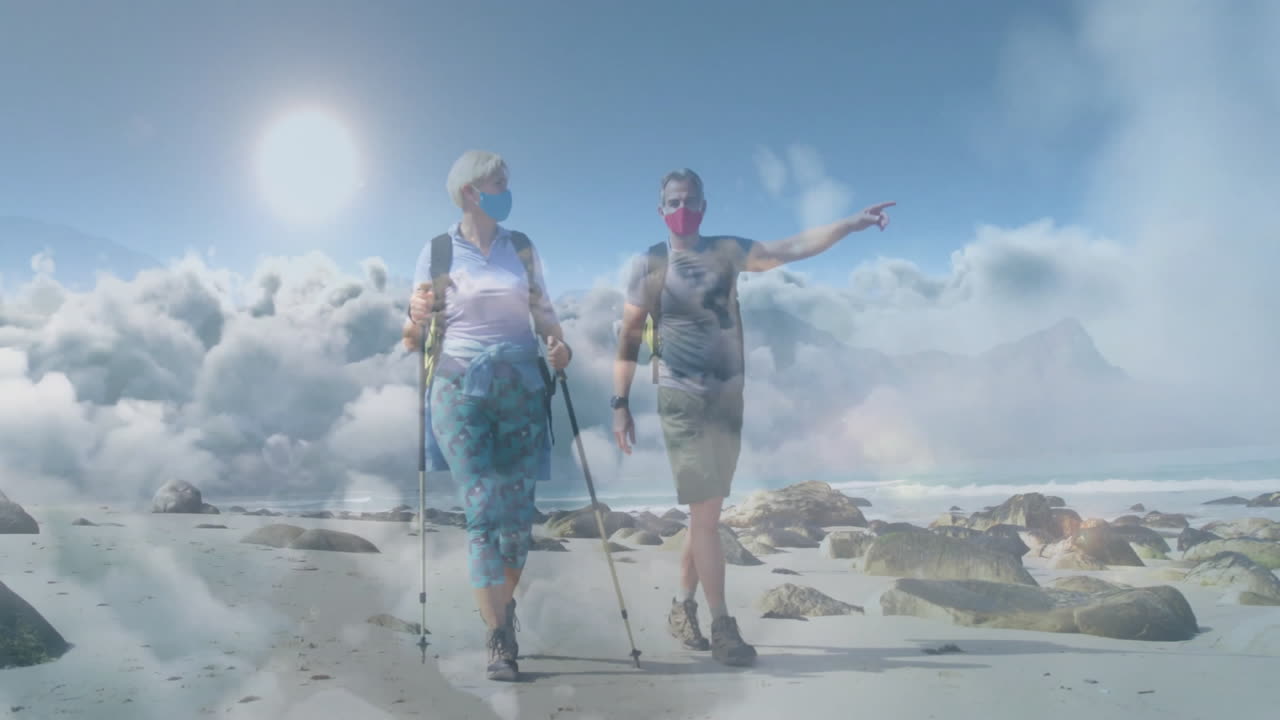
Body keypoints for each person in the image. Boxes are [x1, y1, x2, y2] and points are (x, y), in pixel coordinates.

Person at [611, 168, 894, 666]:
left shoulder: (726, 251)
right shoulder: (650, 263)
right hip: (682, 400)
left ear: (703, 206)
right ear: (661, 210)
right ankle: (723, 626)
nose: (682, 208)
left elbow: (790, 248)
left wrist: (850, 224)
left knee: (705, 515)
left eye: (690, 200)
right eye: (674, 201)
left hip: (727, 399)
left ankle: (681, 607)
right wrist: (620, 404)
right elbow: (630, 335)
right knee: (706, 517)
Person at [402, 149, 572, 682]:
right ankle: (499, 635)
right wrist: (414, 318)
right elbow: (412, 332)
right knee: (480, 514)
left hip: (521, 387)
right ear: (470, 192)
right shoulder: (437, 252)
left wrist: (559, 346)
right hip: (459, 390)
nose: (506, 190)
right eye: (498, 182)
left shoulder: (520, 247)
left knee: (516, 525)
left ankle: (500, 604)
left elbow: (545, 314)